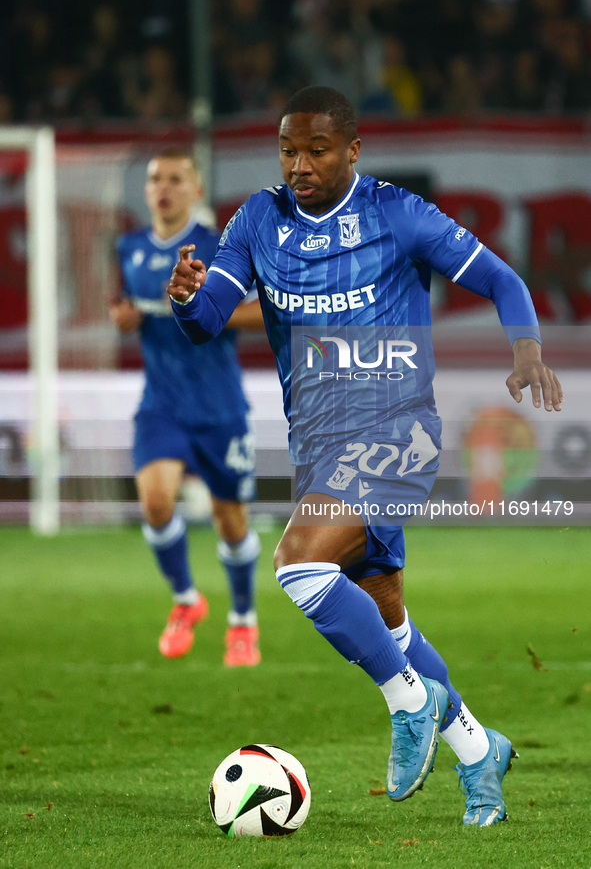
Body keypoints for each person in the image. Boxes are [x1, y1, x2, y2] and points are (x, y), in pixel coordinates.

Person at [166, 87, 563, 825]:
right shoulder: (258, 219)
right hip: (317, 440)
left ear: (352, 149)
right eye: (288, 149)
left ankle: (409, 700)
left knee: (297, 564)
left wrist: (527, 348)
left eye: (316, 149)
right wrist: (189, 299)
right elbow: (208, 318)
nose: (299, 164)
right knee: (389, 623)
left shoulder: (397, 213)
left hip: (394, 428)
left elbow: (501, 279)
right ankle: (479, 756)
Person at [110, 148, 263, 667]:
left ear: (197, 190)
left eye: (176, 178)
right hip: (162, 403)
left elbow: (266, 312)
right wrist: (126, 318)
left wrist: (205, 306)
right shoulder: (129, 246)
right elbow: (126, 306)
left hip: (219, 405)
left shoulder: (223, 247)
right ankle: (185, 600)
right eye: (155, 179)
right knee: (155, 502)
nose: (163, 187)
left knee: (231, 521)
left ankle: (242, 621)